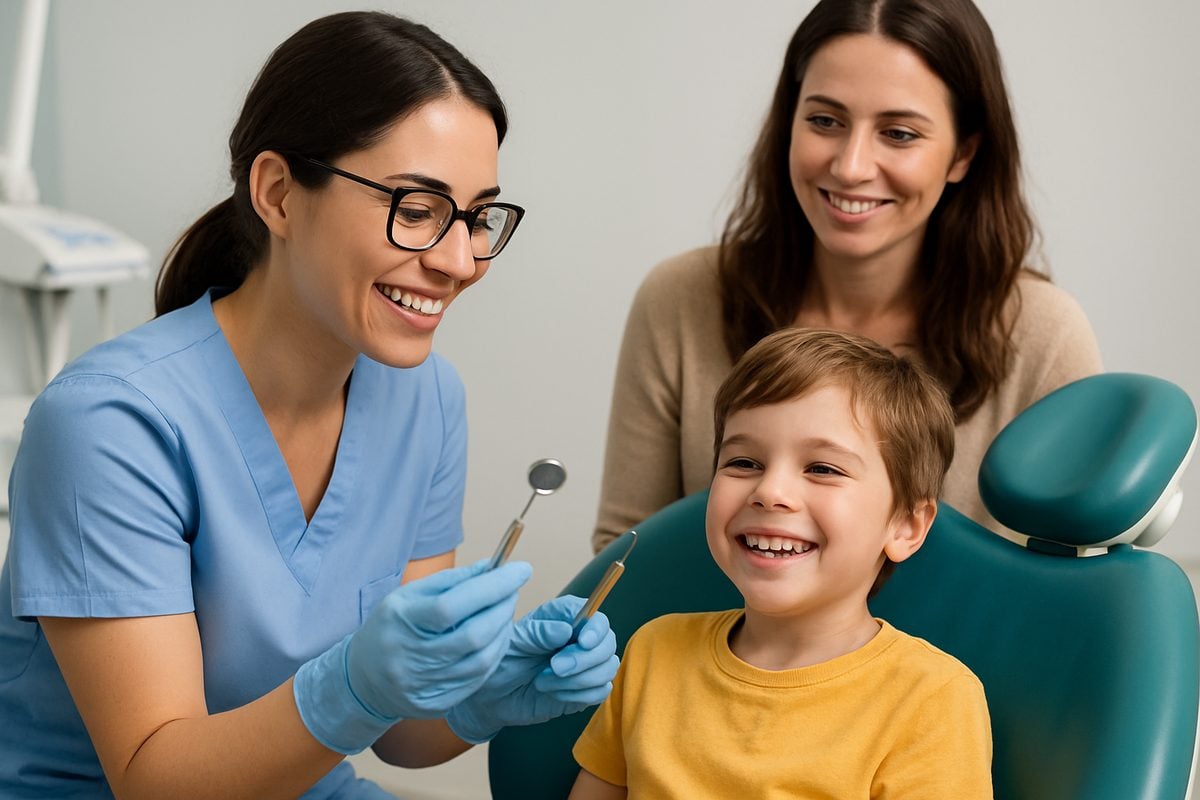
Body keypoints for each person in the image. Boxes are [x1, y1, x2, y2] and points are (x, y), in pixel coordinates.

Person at [0, 12, 617, 799]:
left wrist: (480, 699)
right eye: (418, 208)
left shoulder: (425, 400)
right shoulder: (110, 425)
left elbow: (395, 732)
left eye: (476, 217)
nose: (460, 261)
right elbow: (156, 780)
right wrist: (349, 688)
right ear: (279, 194)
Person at [592, 0, 1102, 554]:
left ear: (963, 153)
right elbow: (627, 554)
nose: (851, 166)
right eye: (825, 121)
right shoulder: (680, 299)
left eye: (900, 133)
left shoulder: (1045, 335)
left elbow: (1073, 598)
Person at [571, 327, 992, 798]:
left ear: (906, 526)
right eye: (744, 462)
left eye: (823, 469)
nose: (769, 492)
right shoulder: (653, 653)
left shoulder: (932, 699)